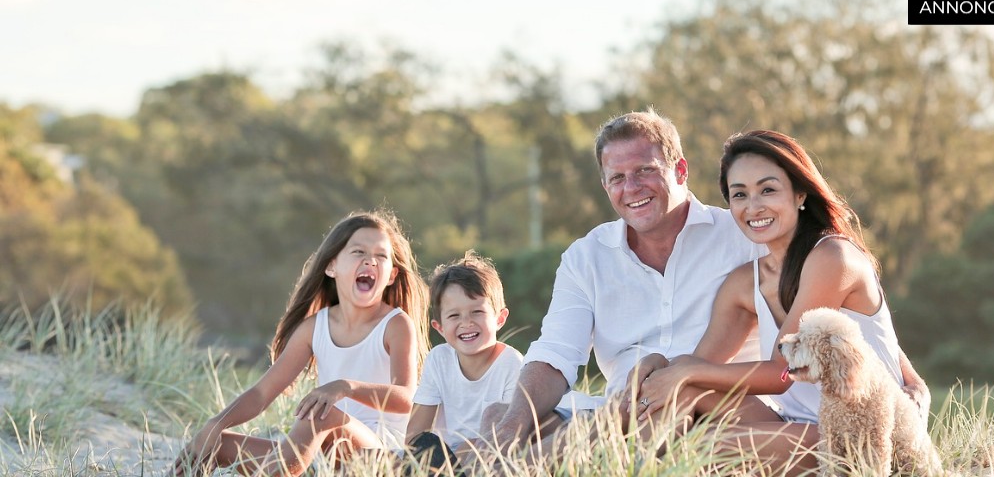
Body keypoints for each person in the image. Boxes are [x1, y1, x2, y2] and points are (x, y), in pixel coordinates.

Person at [629, 130, 930, 473]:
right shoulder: (744, 283)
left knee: (703, 447)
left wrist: (686, 371)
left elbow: (782, 372)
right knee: (685, 392)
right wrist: (661, 365)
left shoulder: (833, 257)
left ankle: (655, 465)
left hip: (858, 436)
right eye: (740, 194)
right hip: (795, 422)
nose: (753, 207)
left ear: (800, 194)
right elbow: (701, 366)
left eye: (767, 190)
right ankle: (634, 465)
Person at [484, 108, 770, 455]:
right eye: (617, 177)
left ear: (681, 170)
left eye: (645, 171)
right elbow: (556, 353)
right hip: (618, 412)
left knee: (660, 415)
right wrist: (512, 426)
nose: (631, 187)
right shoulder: (586, 256)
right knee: (501, 416)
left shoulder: (744, 237)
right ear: (605, 185)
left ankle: (514, 466)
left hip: (710, 406)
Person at [170, 210, 429, 477]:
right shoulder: (314, 328)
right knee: (211, 444)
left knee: (319, 414)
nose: (370, 261)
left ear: (391, 275)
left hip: (381, 456)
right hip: (320, 456)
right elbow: (261, 394)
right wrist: (215, 424)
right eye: (359, 252)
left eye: (380, 255)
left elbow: (407, 397)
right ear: (332, 267)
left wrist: (345, 387)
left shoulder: (396, 325)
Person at [404, 250, 524, 469]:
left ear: (500, 318)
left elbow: (509, 436)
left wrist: (462, 454)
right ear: (439, 327)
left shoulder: (512, 364)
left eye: (477, 312)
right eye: (454, 315)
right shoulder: (439, 359)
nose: (466, 322)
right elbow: (414, 434)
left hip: (489, 461)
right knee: (409, 450)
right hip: (443, 461)